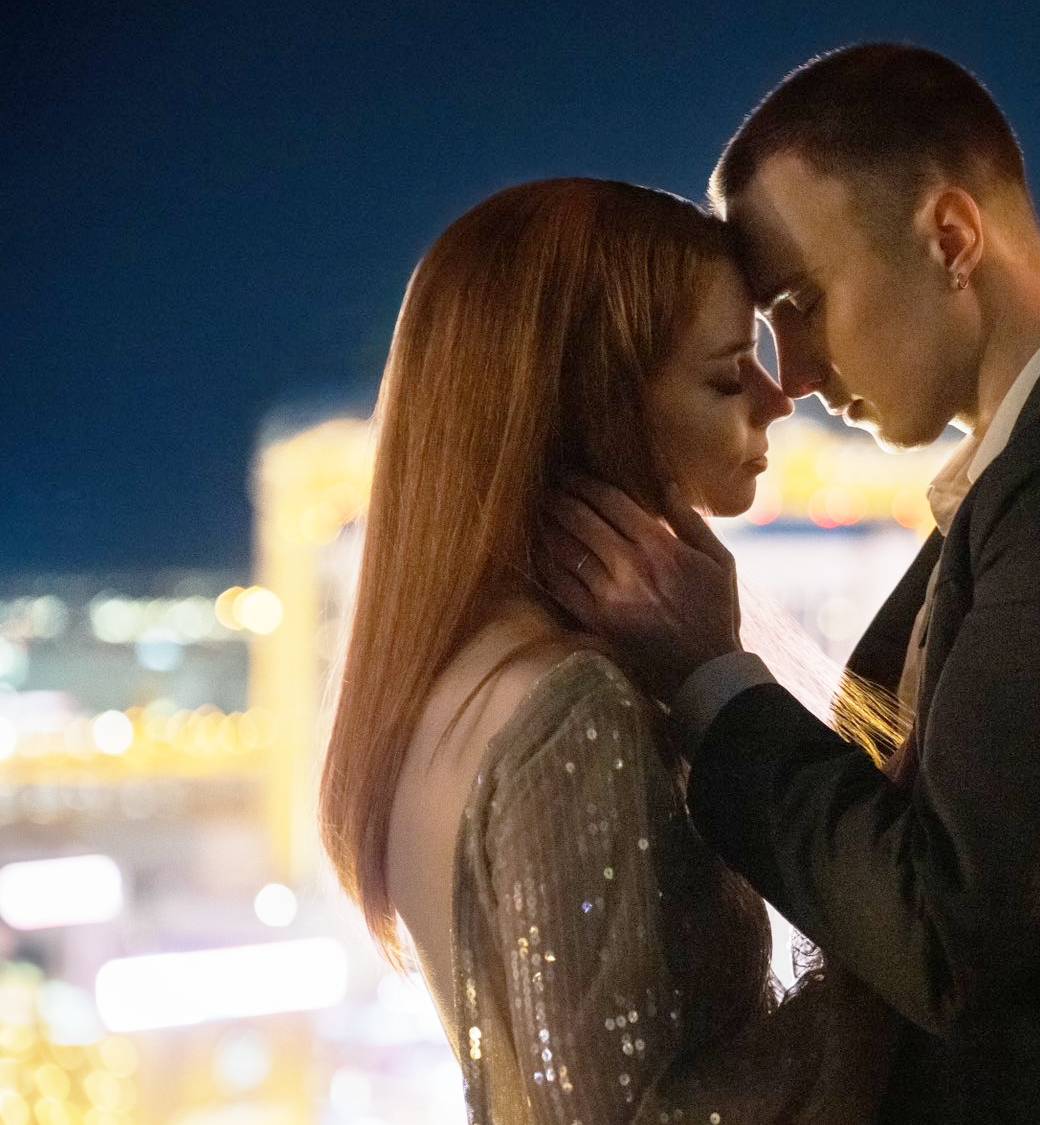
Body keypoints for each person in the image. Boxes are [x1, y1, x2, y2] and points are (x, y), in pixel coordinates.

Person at [545, 45, 1040, 1123]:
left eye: (802, 301)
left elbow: (941, 925)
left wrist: (713, 681)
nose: (795, 372)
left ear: (949, 239)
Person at [319, 178, 889, 1124]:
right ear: (590, 410)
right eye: (726, 375)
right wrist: (887, 982)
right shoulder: (571, 708)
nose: (779, 399)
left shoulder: (450, 680)